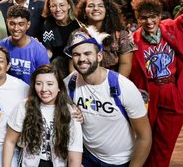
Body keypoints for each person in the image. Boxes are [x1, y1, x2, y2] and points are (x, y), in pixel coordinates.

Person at [129, 0, 183, 167]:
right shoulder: (132, 40)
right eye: (144, 17)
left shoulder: (172, 28)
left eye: (153, 16)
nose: (149, 21)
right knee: (144, 142)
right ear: (138, 19)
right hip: (146, 94)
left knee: (165, 144)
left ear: (159, 15)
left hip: (172, 91)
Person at [64, 27, 152, 167]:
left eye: (87, 53)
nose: (82, 59)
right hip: (87, 156)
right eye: (76, 54)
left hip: (120, 161)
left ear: (99, 56)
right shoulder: (70, 83)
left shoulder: (123, 87)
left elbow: (145, 137)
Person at [3, 65, 83, 167]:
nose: (44, 89)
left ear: (59, 87)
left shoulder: (70, 112)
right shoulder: (24, 107)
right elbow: (10, 141)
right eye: (38, 84)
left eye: (50, 84)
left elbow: (75, 153)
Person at [75, 0, 136, 77]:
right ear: (84, 12)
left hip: (114, 82)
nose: (96, 8)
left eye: (100, 5)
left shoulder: (121, 34)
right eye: (91, 6)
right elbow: (73, 67)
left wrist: (115, 85)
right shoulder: (77, 35)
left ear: (106, 11)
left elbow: (125, 63)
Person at [0, 5, 49, 85]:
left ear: (28, 25)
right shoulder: (0, 46)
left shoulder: (39, 50)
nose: (16, 28)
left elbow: (45, 78)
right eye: (12, 24)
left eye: (21, 24)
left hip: (30, 93)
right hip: (6, 92)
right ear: (7, 22)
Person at [41, 0, 80, 78]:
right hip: (57, 65)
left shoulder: (77, 23)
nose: (58, 9)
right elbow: (49, 50)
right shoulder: (47, 24)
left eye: (62, 5)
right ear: (49, 8)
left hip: (76, 61)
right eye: (53, 6)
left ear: (69, 5)